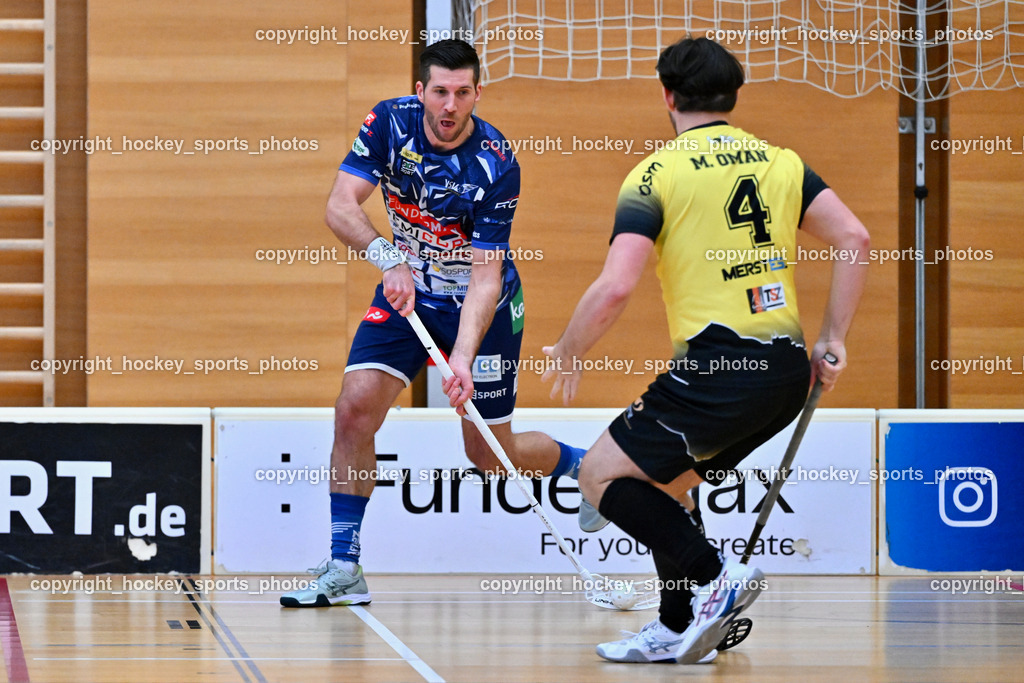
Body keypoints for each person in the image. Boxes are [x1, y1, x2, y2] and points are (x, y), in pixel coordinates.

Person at [542, 36, 869, 664]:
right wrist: (832, 338)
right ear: (733, 97)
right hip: (784, 374)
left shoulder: (655, 174)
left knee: (597, 474)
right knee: (666, 486)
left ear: (667, 97)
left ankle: (714, 575)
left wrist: (571, 348)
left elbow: (614, 286)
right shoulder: (782, 162)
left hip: (718, 367)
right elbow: (854, 237)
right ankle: (673, 624)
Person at [281, 39, 586, 608]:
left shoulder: (496, 162)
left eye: (462, 93)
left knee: (490, 456)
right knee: (353, 410)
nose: (450, 105)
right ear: (421, 91)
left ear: (476, 93)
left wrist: (462, 359)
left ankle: (587, 467)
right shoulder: (389, 122)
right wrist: (385, 257)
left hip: (482, 308)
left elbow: (487, 277)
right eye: (440, 92)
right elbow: (340, 205)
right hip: (407, 292)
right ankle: (344, 566)